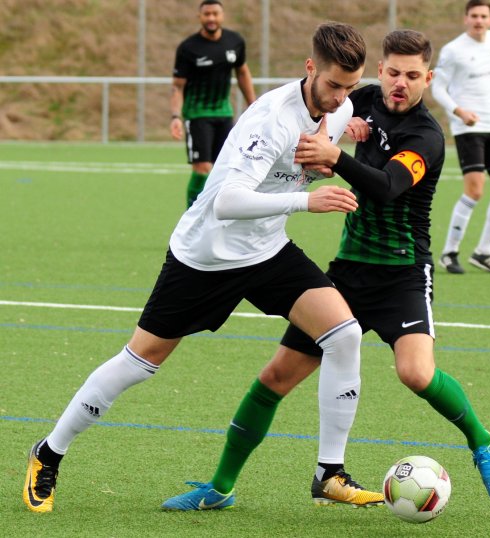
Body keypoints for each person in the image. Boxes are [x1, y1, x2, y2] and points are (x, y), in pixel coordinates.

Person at [160, 29, 490, 513]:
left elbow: (387, 186)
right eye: (392, 73)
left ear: (428, 78)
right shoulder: (358, 97)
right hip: (347, 271)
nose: (399, 84)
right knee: (276, 377)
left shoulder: (425, 137)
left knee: (415, 373)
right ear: (379, 71)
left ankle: (481, 441)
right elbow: (316, 116)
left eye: (412, 76)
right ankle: (219, 487)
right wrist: (338, 134)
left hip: (401, 274)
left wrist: (336, 156)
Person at [23, 22, 367, 514]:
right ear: (310, 68)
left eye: (349, 88)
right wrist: (306, 202)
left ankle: (328, 473)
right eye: (333, 85)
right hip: (205, 255)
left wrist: (332, 152)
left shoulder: (344, 107)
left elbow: (334, 136)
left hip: (267, 250)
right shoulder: (268, 118)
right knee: (138, 363)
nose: (340, 98)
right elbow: (226, 201)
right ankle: (49, 451)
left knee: (344, 334)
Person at [432, 0, 490, 274]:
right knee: (475, 191)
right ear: (465, 19)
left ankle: (484, 252)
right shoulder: (453, 50)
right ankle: (449, 252)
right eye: (474, 16)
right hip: (468, 128)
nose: (479, 20)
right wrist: (459, 110)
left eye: (484, 16)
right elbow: (438, 88)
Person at [170, 0, 256, 207]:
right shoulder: (188, 48)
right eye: (206, 14)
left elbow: (242, 71)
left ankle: (214, 215)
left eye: (215, 14)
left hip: (224, 115)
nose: (211, 18)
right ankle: (191, 218)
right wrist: (175, 117)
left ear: (222, 16)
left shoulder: (234, 41)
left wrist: (253, 104)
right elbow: (177, 87)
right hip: (197, 115)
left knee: (225, 168)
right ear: (200, 17)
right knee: (202, 169)